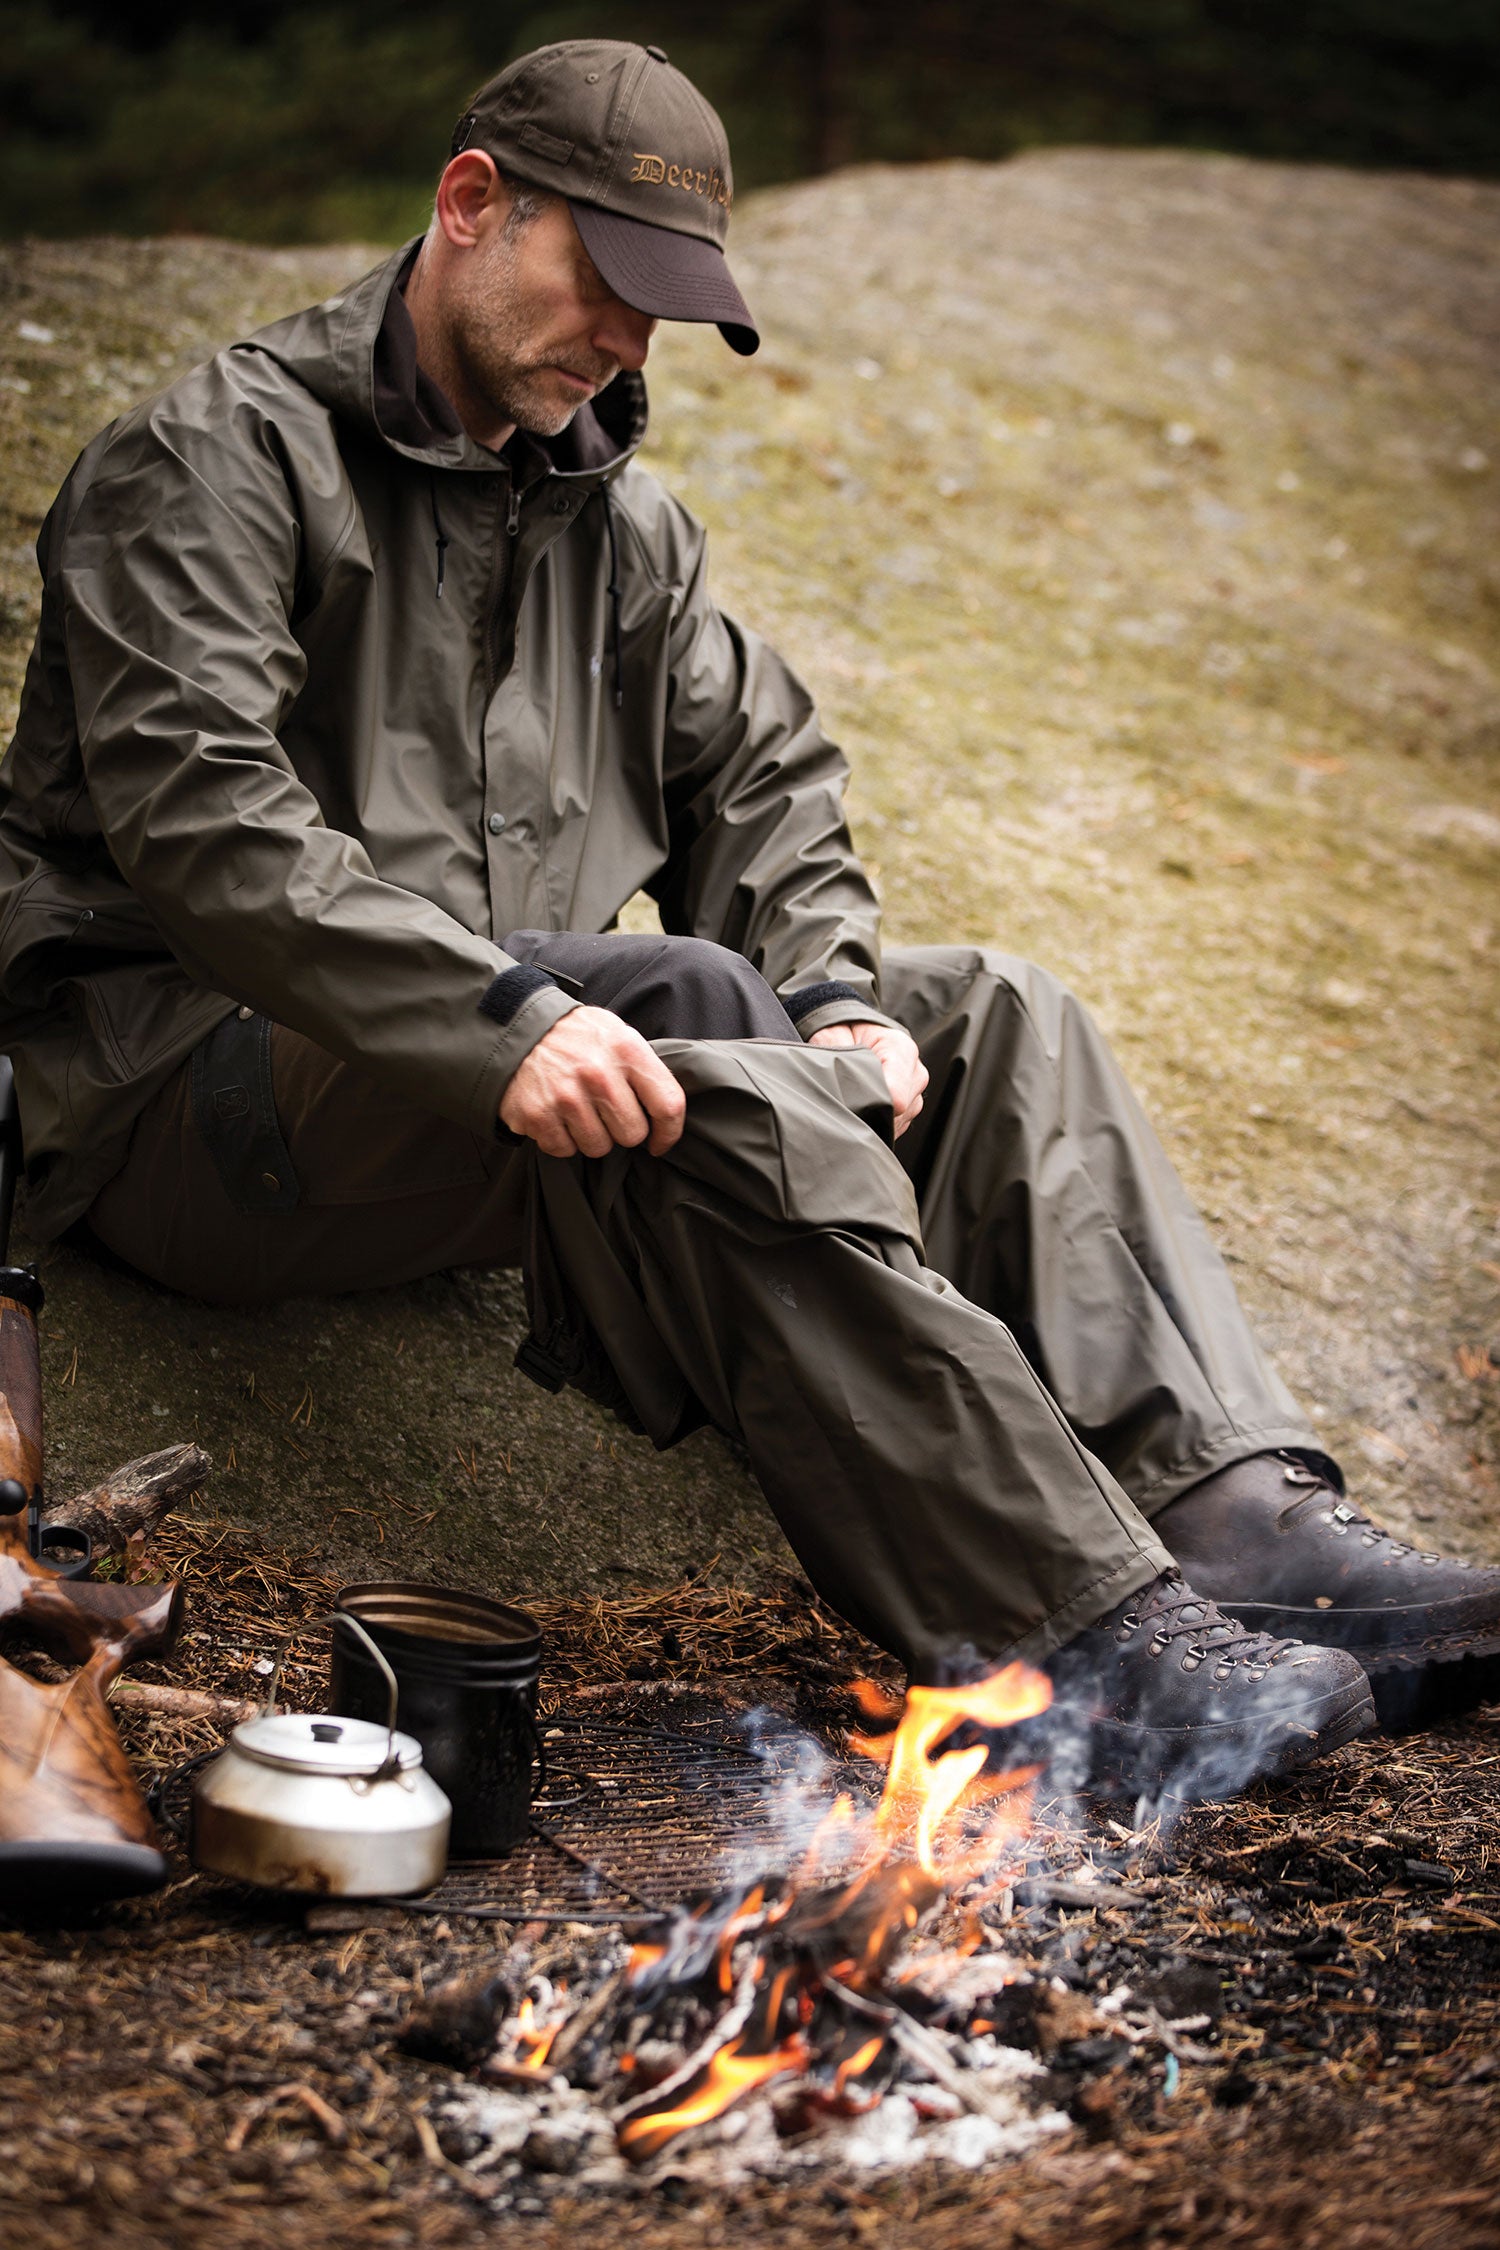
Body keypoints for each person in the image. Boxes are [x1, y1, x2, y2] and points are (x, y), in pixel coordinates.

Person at [1, 40, 1495, 1802]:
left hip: (497, 1058)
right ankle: (1088, 1648)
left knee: (996, 1015)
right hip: (200, 1087)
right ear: (470, 204)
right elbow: (212, 830)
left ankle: (1241, 1523)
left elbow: (764, 773)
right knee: (692, 1032)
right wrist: (511, 1019)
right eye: (611, 284)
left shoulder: (615, 522)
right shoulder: (211, 458)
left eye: (669, 309)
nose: (630, 346)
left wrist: (837, 996)